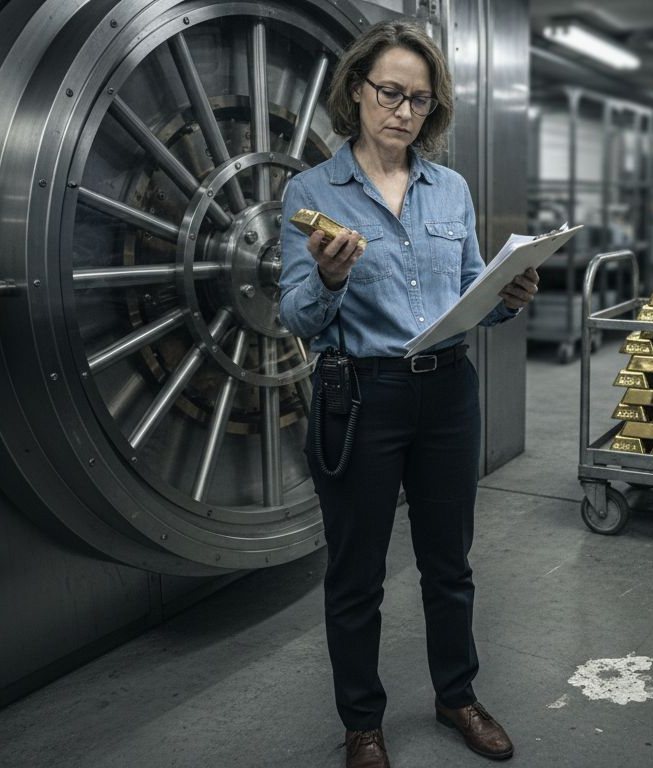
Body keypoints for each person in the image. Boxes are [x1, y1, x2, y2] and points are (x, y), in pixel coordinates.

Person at [278, 20, 537, 768]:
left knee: (449, 564)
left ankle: (458, 697)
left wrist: (508, 294)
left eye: (420, 100)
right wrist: (329, 279)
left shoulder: (448, 187)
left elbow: (469, 293)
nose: (403, 111)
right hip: (360, 396)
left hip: (449, 393)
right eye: (390, 92)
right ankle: (363, 723)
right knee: (356, 574)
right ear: (355, 91)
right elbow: (295, 315)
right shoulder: (312, 191)